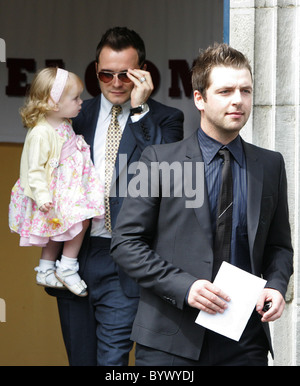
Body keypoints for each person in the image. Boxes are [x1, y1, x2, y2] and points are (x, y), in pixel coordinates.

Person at [111, 43, 294, 366]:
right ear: (200, 98)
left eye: (245, 90)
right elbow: (125, 244)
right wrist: (185, 287)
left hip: (245, 342)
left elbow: (279, 246)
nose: (238, 100)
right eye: (225, 91)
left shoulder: (270, 164)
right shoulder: (156, 160)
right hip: (170, 340)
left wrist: (277, 286)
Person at [46, 27, 184, 366]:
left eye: (126, 74)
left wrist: (139, 112)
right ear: (96, 71)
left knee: (112, 361)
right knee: (80, 360)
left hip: (126, 258)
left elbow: (164, 173)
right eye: (107, 74)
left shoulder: (167, 118)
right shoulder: (75, 115)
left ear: (143, 71)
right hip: (74, 256)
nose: (116, 82)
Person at [9, 67, 105, 298]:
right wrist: (43, 197)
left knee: (57, 231)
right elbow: (35, 170)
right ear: (54, 103)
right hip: (53, 194)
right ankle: (68, 266)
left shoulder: (63, 123)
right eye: (75, 98)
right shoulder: (42, 133)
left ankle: (45, 268)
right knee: (82, 219)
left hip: (68, 188)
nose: (81, 102)